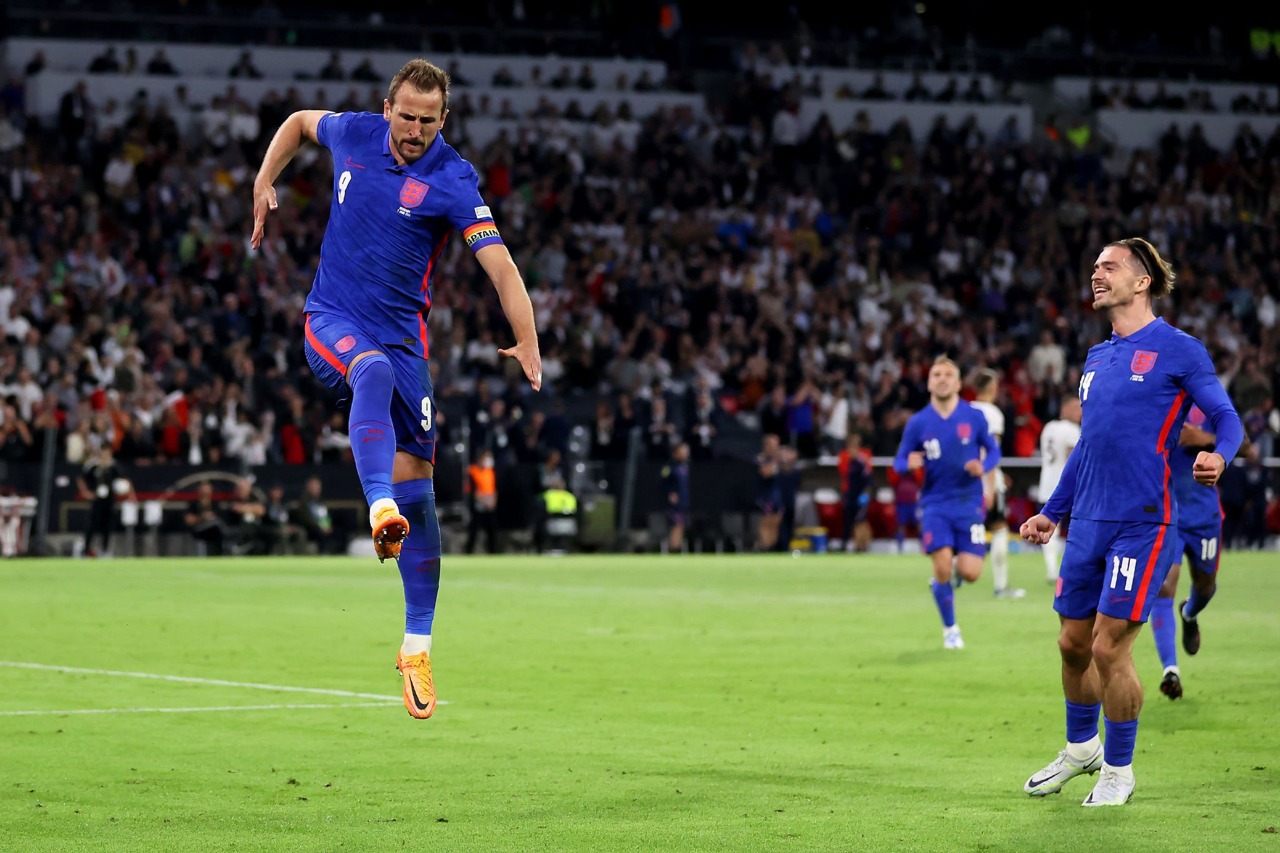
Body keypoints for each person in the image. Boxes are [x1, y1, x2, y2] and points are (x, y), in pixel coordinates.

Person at [251, 59, 542, 721]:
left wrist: (526, 338)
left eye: (427, 121)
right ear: (387, 108)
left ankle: (416, 647)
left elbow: (500, 265)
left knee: (422, 487)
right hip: (332, 321)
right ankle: (379, 507)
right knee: (371, 374)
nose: (414, 129)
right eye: (406, 116)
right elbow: (298, 123)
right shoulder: (355, 132)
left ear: (445, 119)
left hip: (405, 343)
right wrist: (265, 180)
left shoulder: (453, 178)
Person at [1019, 238, 1243, 807]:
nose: (1096, 274)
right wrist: (1052, 512)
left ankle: (1118, 771)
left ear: (1142, 281)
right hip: (1087, 521)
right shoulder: (1097, 357)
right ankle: (1081, 750)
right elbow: (1088, 446)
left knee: (1108, 648)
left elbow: (1226, 417)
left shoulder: (1180, 349)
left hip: (1143, 523)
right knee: (1072, 643)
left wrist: (1220, 456)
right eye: (1094, 266)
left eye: (1109, 266)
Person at [892, 356, 1002, 650]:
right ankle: (951, 628)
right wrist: (908, 463)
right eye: (936, 374)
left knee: (971, 573)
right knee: (941, 566)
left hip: (969, 503)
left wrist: (983, 466)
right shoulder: (918, 422)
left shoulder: (974, 417)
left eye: (948, 374)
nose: (942, 379)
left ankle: (947, 581)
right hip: (935, 503)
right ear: (929, 383)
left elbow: (993, 451)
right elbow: (899, 461)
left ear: (958, 383)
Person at [1150, 407, 1243, 701]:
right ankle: (1170, 670)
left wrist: (1206, 439)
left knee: (1205, 586)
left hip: (1205, 517)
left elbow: (1246, 445)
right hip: (1168, 514)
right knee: (1164, 588)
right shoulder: (1158, 400)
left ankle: (1189, 614)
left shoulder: (1211, 404)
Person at [971, 369, 1023, 599]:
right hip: (985, 480)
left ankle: (949, 576)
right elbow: (990, 453)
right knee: (999, 529)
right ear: (992, 388)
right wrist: (991, 486)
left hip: (965, 481)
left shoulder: (966, 410)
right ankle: (1001, 586)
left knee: (965, 529)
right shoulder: (992, 413)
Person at [1037, 395, 1082, 583]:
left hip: (1047, 483)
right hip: (1069, 487)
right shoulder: (1072, 430)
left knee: (1049, 529)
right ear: (1064, 409)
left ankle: (1051, 570)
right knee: (1075, 527)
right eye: (1076, 408)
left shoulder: (1049, 427)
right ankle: (1070, 570)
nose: (1080, 412)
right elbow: (1074, 459)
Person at [76, 445, 122, 557]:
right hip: (96, 500)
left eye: (107, 452)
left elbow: (124, 480)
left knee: (108, 526)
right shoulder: (93, 465)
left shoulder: (114, 466)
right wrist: (86, 492)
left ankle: (105, 551)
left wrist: (123, 490)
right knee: (91, 525)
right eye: (103, 452)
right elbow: (80, 478)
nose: (105, 454)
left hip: (110, 500)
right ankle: (86, 550)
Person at [465, 449, 499, 554]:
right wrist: (484, 501)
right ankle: (469, 552)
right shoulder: (472, 471)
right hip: (478, 504)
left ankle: (493, 552)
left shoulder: (490, 472)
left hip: (490, 505)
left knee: (492, 530)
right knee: (474, 530)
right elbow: (473, 490)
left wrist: (493, 502)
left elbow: (493, 489)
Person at [661, 441, 691, 553]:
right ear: (676, 452)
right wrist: (670, 493)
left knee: (681, 525)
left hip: (684, 502)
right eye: (683, 450)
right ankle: (673, 549)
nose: (686, 453)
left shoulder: (685, 466)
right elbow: (661, 483)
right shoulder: (669, 466)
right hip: (673, 504)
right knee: (676, 525)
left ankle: (677, 548)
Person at [185, 480, 229, 557]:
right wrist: (202, 517)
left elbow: (221, 519)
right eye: (203, 490)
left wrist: (213, 517)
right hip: (200, 531)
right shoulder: (193, 504)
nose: (205, 493)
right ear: (199, 491)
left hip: (215, 533)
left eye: (207, 490)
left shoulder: (215, 504)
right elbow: (189, 520)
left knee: (220, 527)